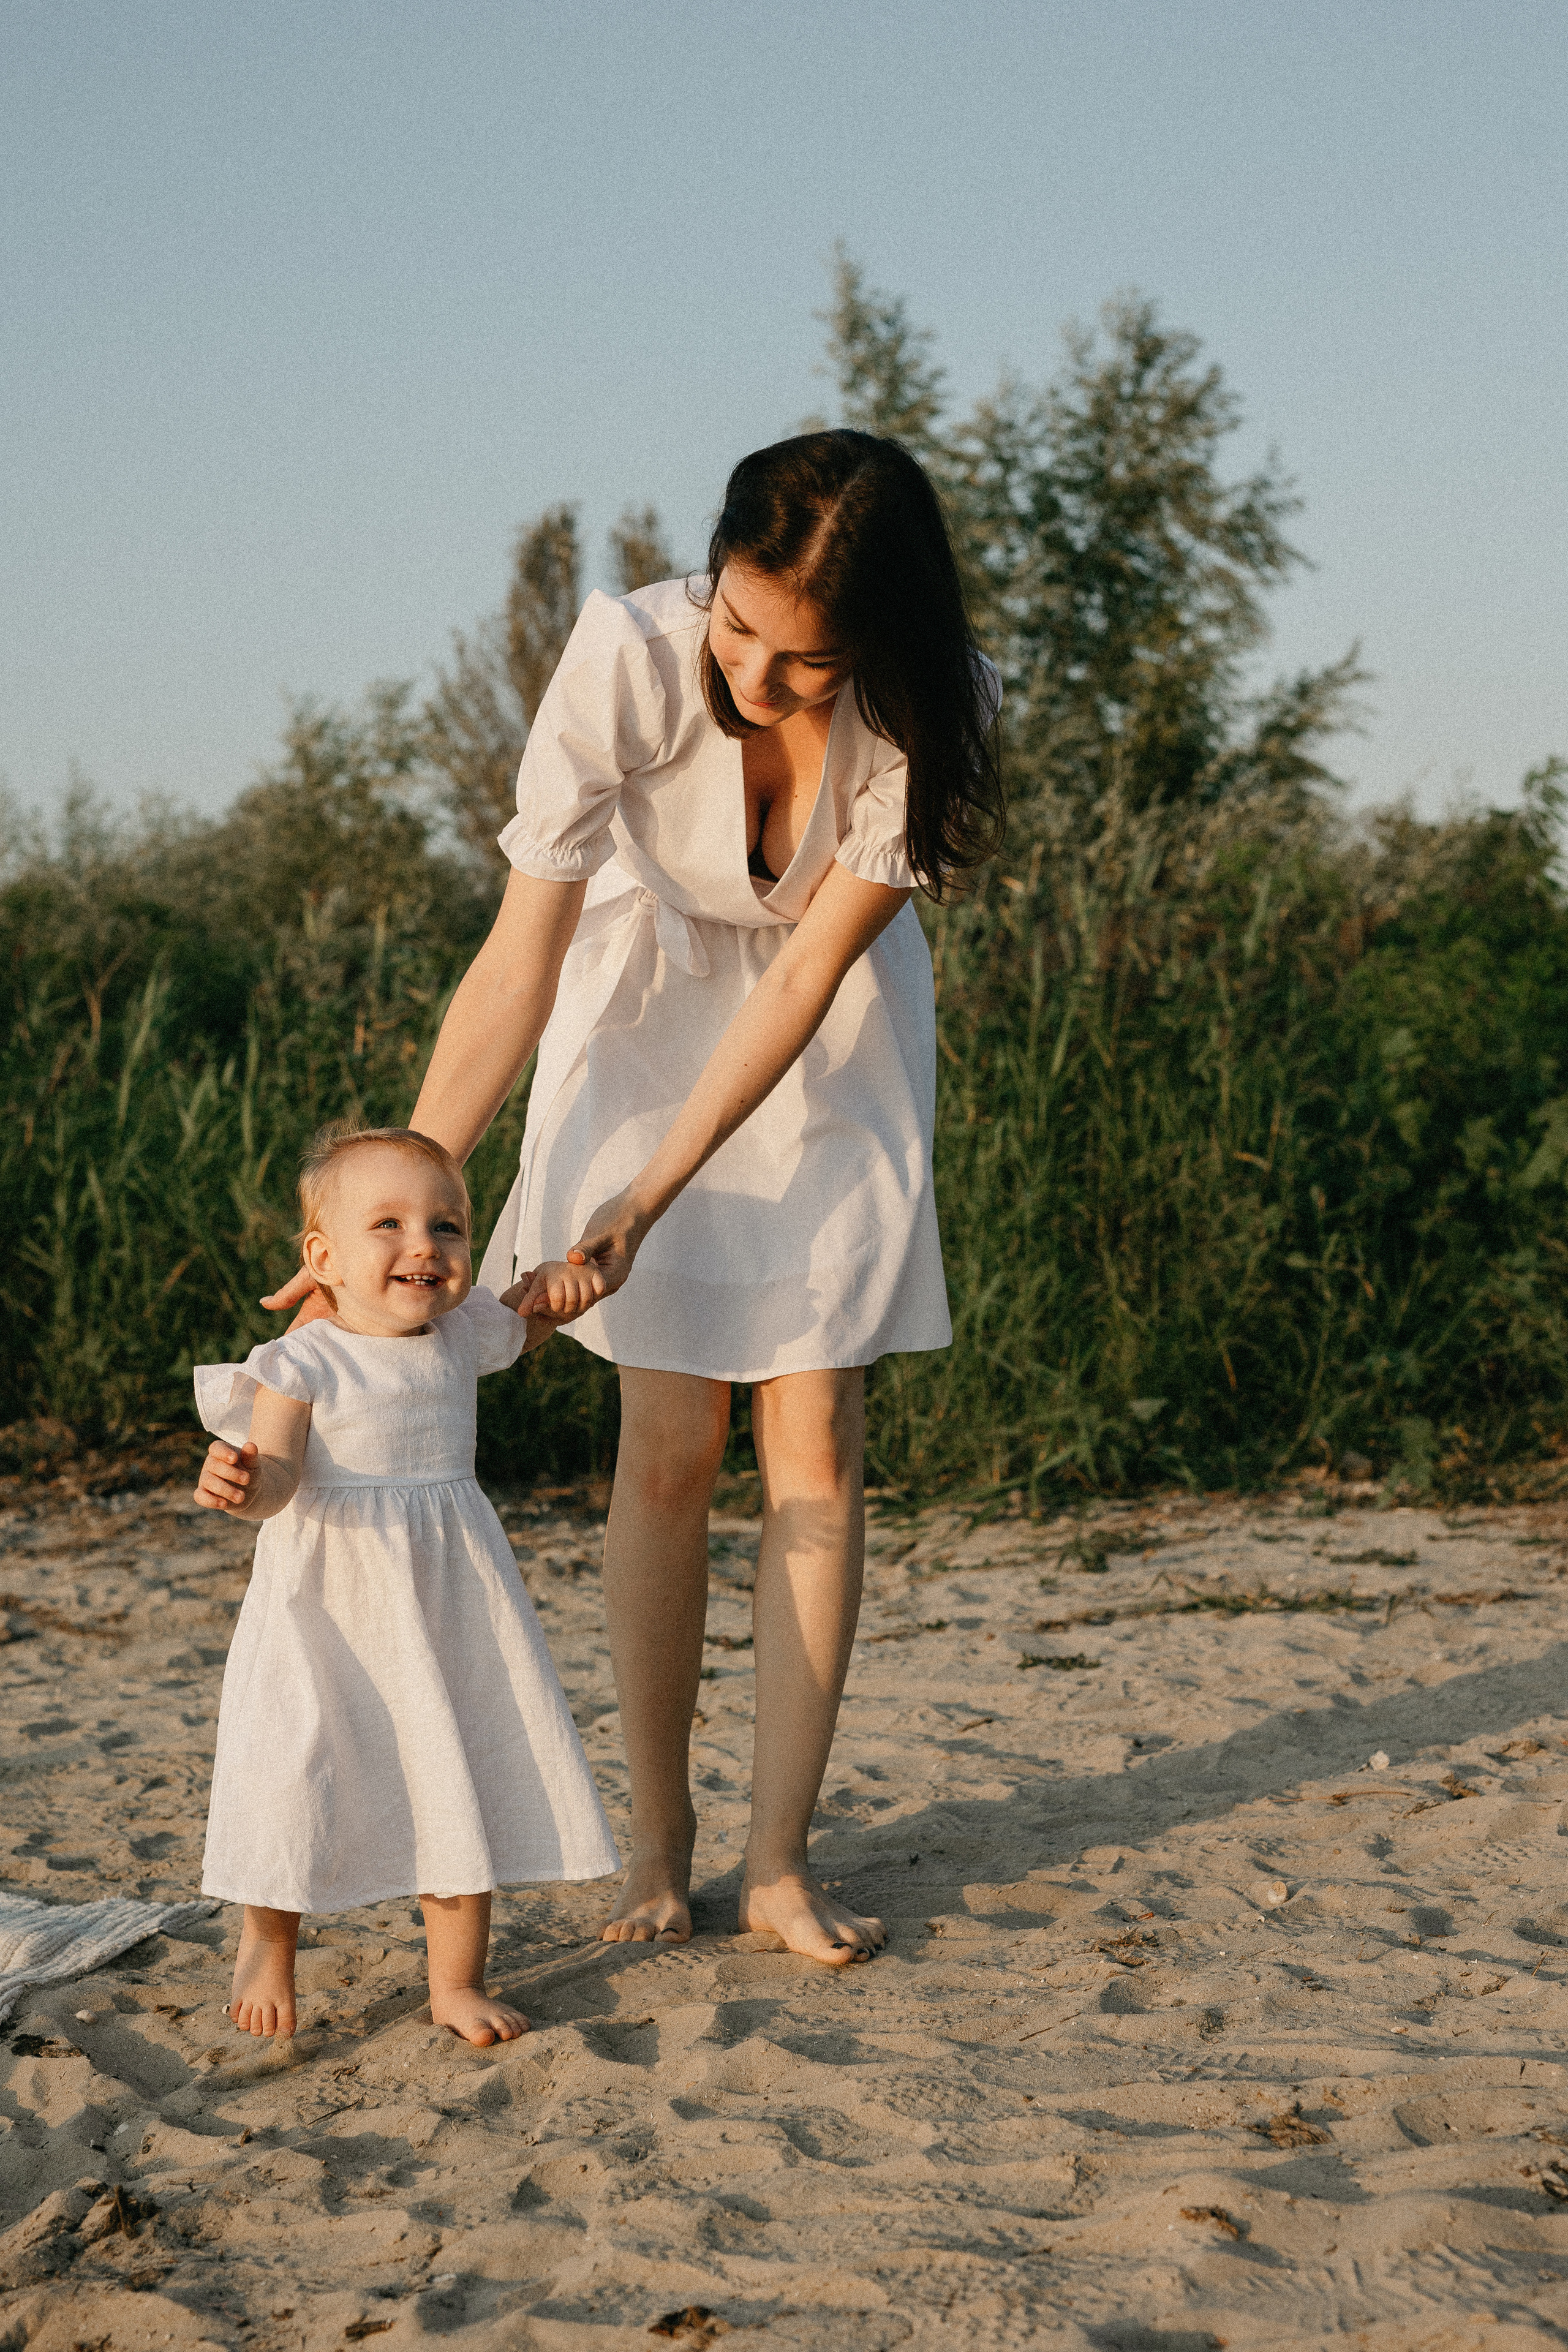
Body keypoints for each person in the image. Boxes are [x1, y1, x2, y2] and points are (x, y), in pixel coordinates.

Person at [267, 429, 1003, 1966]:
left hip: (826, 1040)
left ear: (880, 642)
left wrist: (644, 1206)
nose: (755, 674)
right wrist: (392, 1215)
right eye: (735, 626)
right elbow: (519, 958)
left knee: (815, 1440)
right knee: (667, 1443)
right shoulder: (620, 655)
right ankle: (656, 1859)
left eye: (806, 662)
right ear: (710, 574)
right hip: (640, 1009)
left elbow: (807, 970)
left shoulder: (937, 706)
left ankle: (782, 1861)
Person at [193, 1123, 619, 2042]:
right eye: (387, 1224)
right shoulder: (301, 1361)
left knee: (451, 1762)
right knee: (298, 1764)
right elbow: (276, 1479)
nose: (424, 1245)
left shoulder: (465, 1333)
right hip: (327, 1607)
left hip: (448, 1598)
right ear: (324, 1258)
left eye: (449, 1226)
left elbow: (542, 1312)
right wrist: (241, 1483)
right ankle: (269, 1939)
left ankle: (455, 1981)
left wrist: (571, 1281)